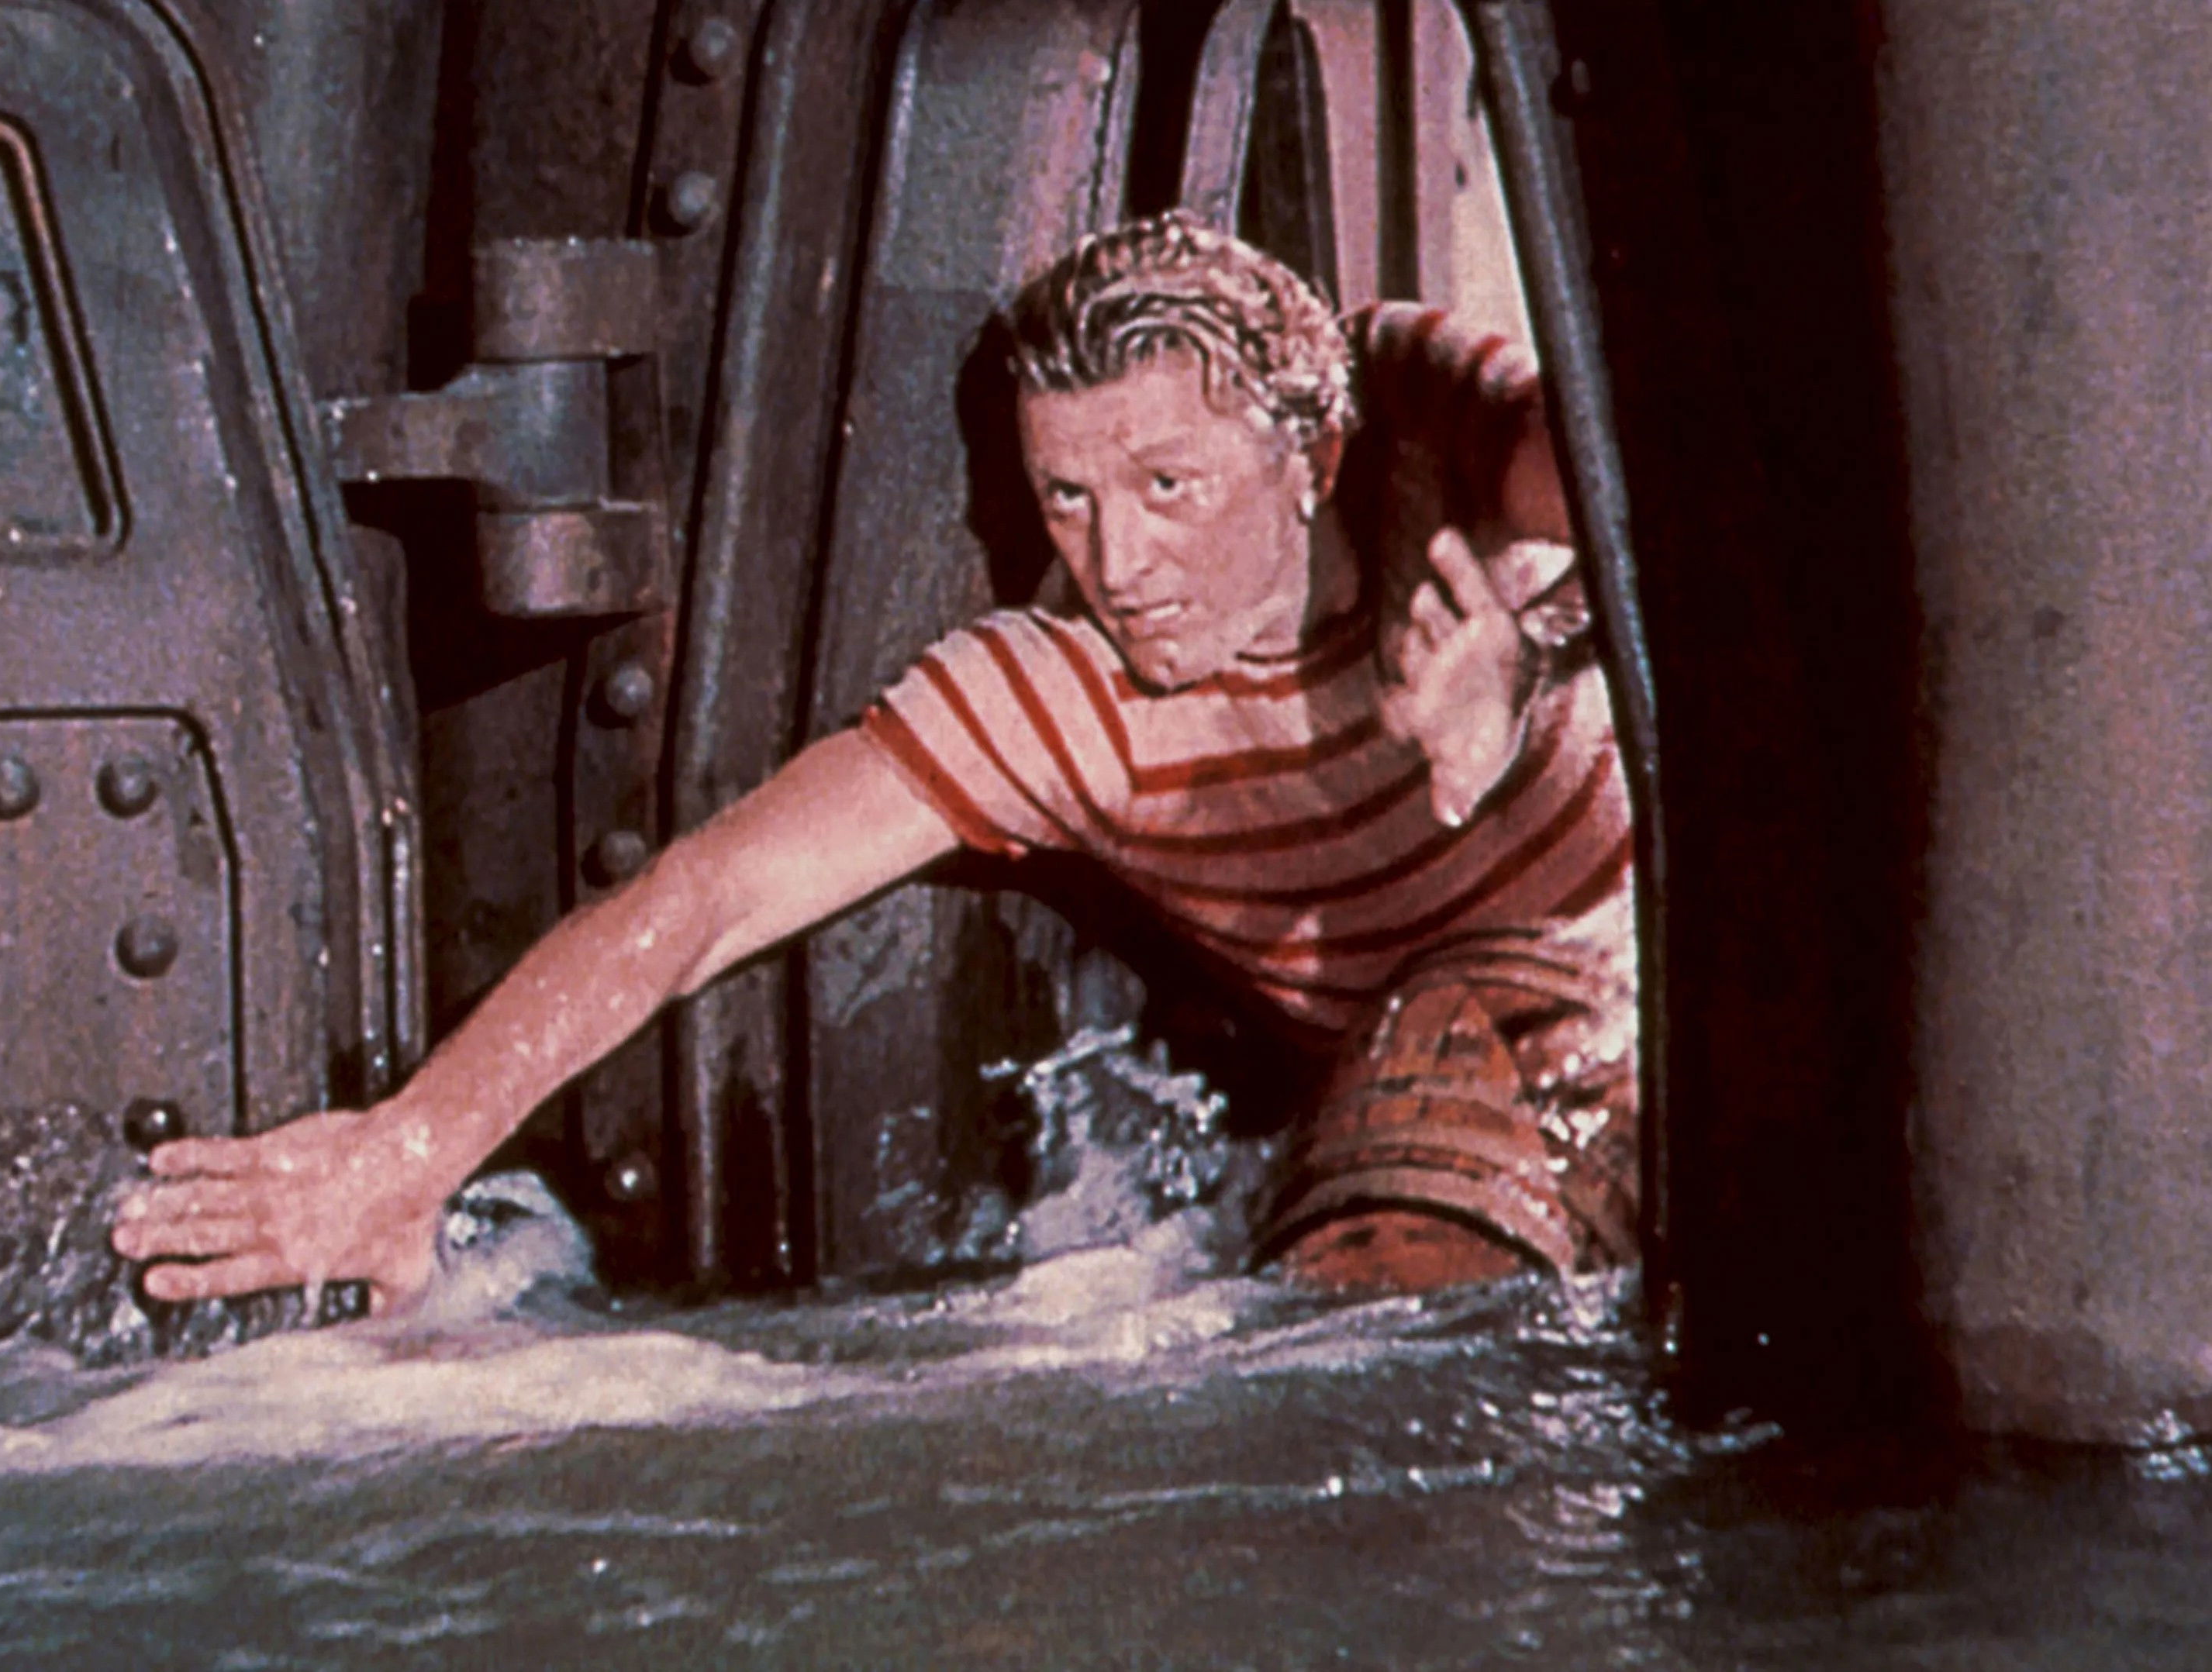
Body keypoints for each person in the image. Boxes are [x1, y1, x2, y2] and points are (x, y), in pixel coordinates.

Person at [113, 209, 1637, 1307]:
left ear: (1308, 459)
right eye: (1068, 498)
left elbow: (1653, 476)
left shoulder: (1414, 430)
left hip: (1671, 987)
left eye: (1169, 485)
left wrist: (1543, 637)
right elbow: (698, 901)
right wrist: (409, 1149)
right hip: (1433, 1106)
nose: (1119, 560)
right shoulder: (1055, 696)